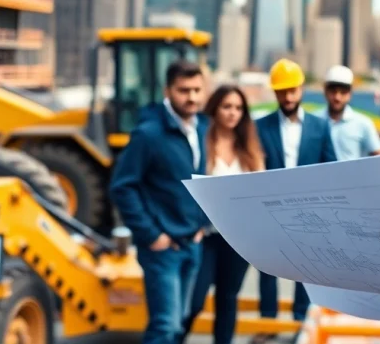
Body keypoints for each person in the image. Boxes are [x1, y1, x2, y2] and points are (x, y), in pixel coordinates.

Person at [109, 59, 211, 344]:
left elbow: (204, 179)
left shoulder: (204, 128)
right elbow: (122, 187)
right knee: (164, 328)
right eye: (183, 90)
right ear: (168, 91)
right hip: (162, 249)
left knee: (179, 325)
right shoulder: (149, 134)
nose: (191, 97)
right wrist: (152, 235)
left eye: (196, 90)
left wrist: (202, 225)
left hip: (193, 243)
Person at [250, 58, 337, 344]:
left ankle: (302, 322)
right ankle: (268, 323)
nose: (287, 97)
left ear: (301, 89)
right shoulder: (258, 127)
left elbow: (330, 168)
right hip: (269, 212)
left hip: (307, 211)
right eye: (281, 91)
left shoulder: (320, 126)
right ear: (274, 93)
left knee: (306, 267)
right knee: (267, 269)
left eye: (292, 91)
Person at [184, 84, 266, 343]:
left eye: (239, 108)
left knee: (228, 299)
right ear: (215, 109)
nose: (233, 113)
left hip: (238, 240)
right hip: (206, 236)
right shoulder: (201, 141)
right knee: (195, 300)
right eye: (227, 106)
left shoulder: (250, 148)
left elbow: (260, 190)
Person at [317, 64, 380, 161]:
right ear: (325, 91)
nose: (337, 97)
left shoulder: (363, 123)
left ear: (350, 93)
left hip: (354, 176)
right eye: (333, 91)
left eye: (343, 92)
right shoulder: (314, 121)